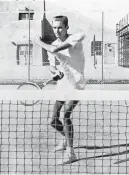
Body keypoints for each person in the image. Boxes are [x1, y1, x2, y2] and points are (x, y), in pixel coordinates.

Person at [33, 16, 86, 165]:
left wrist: (38, 42)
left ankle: (71, 152)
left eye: (60, 27)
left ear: (67, 27)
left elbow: (55, 49)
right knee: (52, 120)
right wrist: (55, 71)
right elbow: (52, 65)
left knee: (66, 115)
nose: (57, 30)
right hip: (63, 83)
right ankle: (65, 138)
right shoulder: (54, 43)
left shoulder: (77, 37)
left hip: (77, 83)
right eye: (55, 28)